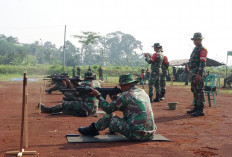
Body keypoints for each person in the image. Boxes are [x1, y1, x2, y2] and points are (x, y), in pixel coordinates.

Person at [78, 74, 157, 141]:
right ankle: (112, 129)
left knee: (109, 117)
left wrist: (98, 96)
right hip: (150, 134)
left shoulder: (126, 95)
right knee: (125, 117)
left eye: (122, 85)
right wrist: (116, 99)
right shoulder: (143, 92)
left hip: (136, 135)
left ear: (126, 85)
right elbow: (132, 108)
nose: (121, 88)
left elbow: (108, 109)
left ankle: (93, 130)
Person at [186, 32, 207, 116]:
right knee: (194, 90)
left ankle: (201, 110)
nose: (194, 41)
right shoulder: (195, 49)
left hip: (198, 73)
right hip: (193, 73)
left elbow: (203, 62)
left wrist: (199, 74)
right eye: (194, 40)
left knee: (199, 91)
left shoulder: (203, 49)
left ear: (200, 40)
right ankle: (196, 107)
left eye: (196, 39)